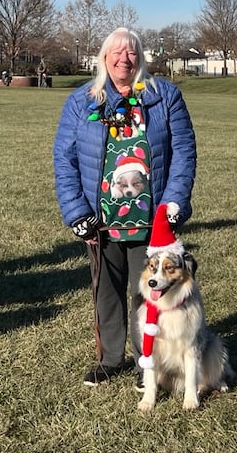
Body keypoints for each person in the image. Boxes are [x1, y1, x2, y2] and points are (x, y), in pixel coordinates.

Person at [54, 27, 197, 386]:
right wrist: (76, 214)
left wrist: (174, 203)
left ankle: (145, 363)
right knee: (106, 290)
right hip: (99, 219)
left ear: (142, 57)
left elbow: (183, 153)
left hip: (150, 220)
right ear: (104, 58)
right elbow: (64, 158)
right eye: (116, 52)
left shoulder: (165, 97)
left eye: (131, 52)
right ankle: (111, 358)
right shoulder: (81, 101)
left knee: (147, 290)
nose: (124, 59)